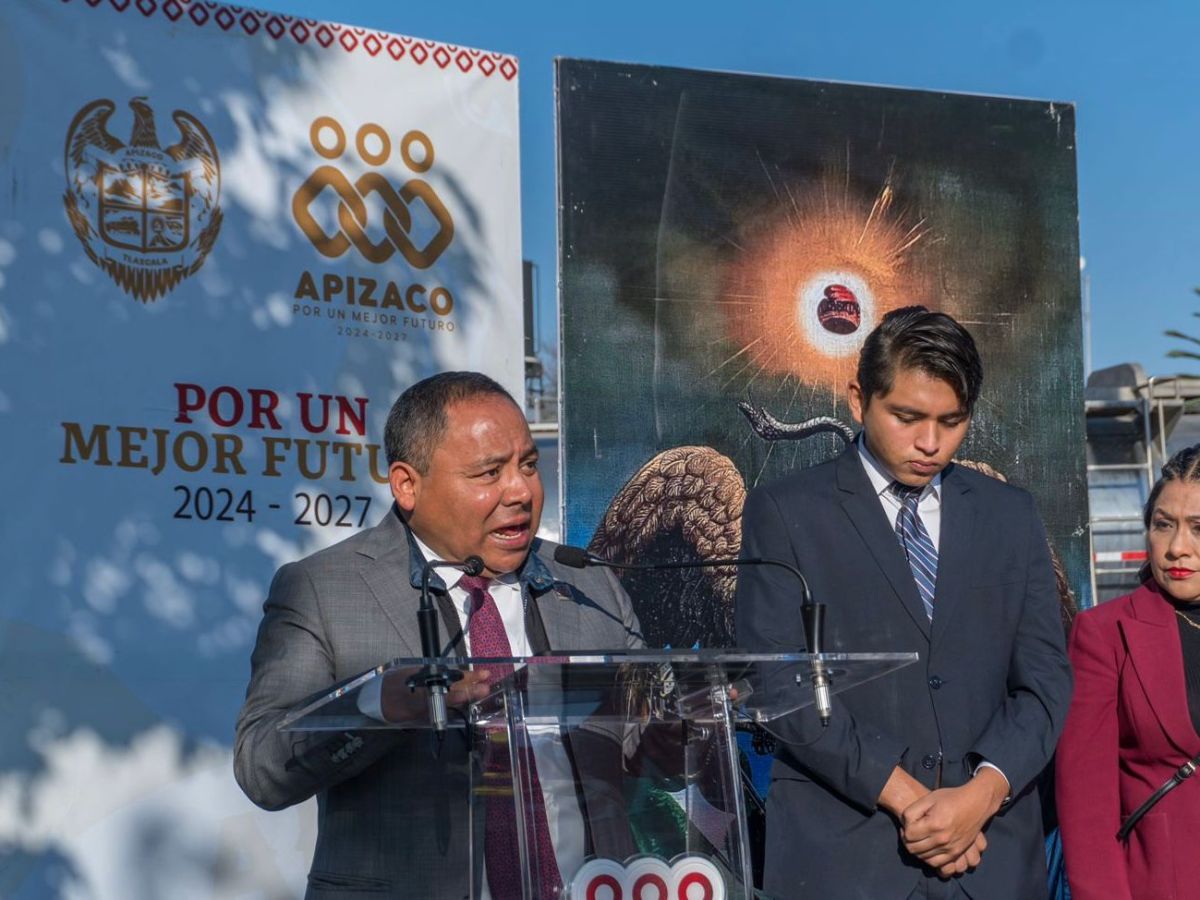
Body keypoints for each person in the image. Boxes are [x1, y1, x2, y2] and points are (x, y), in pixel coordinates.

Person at [234, 371, 643, 899]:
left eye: (528, 466)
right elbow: (263, 767)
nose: (520, 491)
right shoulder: (322, 589)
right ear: (408, 484)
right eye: (489, 472)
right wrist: (377, 707)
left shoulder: (588, 582)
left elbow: (645, 746)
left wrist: (695, 720)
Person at [735, 306, 1072, 900]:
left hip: (992, 861)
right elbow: (776, 682)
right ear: (857, 399)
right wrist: (906, 795)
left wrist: (982, 794)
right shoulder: (787, 512)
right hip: (845, 861)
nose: (930, 442)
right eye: (907, 416)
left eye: (952, 421)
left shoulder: (1010, 515)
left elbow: (1044, 683)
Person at [1056, 445, 1200, 900]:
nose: (1178, 547)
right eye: (1163, 525)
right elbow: (1087, 809)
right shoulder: (1104, 633)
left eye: (1199, 528)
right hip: (1165, 882)